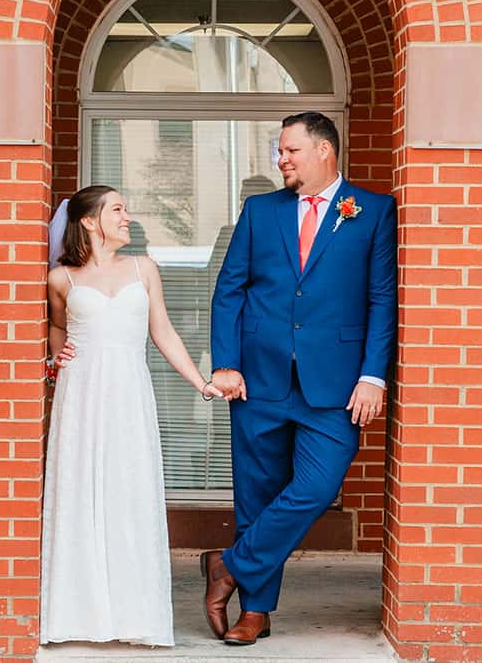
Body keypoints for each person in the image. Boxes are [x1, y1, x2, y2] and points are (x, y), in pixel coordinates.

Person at [201, 111, 397, 645]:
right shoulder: (260, 211)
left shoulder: (373, 211)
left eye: (290, 151)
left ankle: (230, 565)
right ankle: (255, 613)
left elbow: (382, 298)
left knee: (317, 486)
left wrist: (373, 376)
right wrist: (226, 362)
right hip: (258, 381)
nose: (281, 160)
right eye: (279, 151)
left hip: (334, 385)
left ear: (324, 152)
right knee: (257, 497)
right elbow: (230, 289)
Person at [40, 185, 222, 646]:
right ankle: (78, 615)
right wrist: (56, 362)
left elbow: (161, 330)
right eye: (117, 209)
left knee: (128, 487)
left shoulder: (144, 269)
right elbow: (57, 327)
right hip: (80, 394)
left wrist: (201, 383)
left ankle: (133, 614)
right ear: (88, 220)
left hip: (129, 392)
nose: (127, 217)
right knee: (81, 491)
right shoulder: (62, 278)